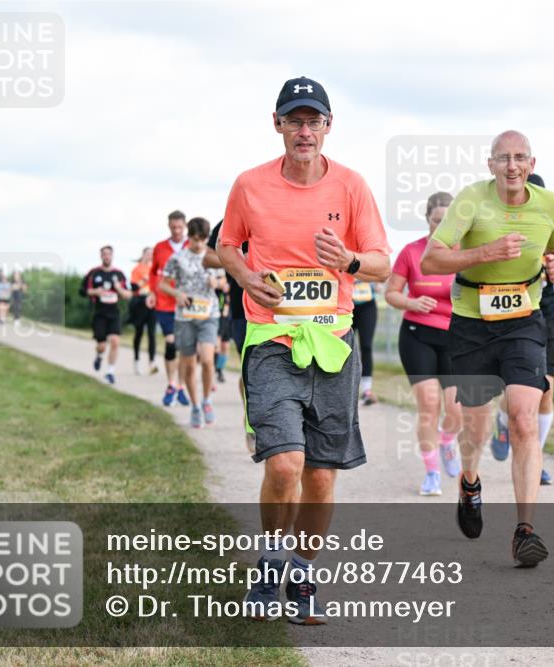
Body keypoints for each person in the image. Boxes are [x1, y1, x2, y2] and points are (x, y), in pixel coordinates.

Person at [219, 76, 390, 624]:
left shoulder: (351, 187)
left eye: (314, 120)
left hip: (334, 344)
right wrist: (247, 277)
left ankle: (303, 572)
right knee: (286, 462)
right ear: (277, 125)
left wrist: (349, 262)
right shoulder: (249, 185)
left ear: (328, 127)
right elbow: (226, 244)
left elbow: (382, 263)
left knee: (320, 475)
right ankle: (270, 563)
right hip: (272, 339)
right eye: (294, 120)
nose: (304, 130)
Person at [420, 130, 554, 568]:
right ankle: (469, 482)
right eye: (503, 158)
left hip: (524, 319)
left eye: (520, 157)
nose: (512, 165)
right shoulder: (470, 201)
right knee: (475, 425)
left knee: (524, 417)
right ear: (490, 164)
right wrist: (486, 251)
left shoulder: (552, 205)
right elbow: (432, 260)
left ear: (532, 163)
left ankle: (525, 531)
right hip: (471, 322)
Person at [490, 174, 554, 486]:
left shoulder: (553, 222)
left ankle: (535, 458)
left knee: (546, 388)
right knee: (517, 389)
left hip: (544, 310)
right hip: (508, 309)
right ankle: (504, 422)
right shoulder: (495, 222)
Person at [385, 192, 463, 496]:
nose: (440, 227)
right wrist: (413, 302)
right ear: (427, 219)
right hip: (418, 334)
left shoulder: (466, 253)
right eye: (435, 221)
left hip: (456, 338)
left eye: (447, 222)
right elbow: (391, 293)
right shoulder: (411, 252)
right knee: (429, 405)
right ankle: (431, 473)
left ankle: (447, 442)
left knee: (456, 411)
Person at [160, 217, 220, 428]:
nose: (199, 244)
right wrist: (176, 293)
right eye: (195, 239)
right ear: (189, 237)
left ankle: (206, 400)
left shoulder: (214, 257)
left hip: (209, 315)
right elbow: (162, 284)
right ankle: (195, 406)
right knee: (188, 364)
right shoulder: (178, 258)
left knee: (206, 359)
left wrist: (218, 282)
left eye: (203, 239)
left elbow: (225, 283)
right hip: (184, 317)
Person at [206, 219, 252, 449]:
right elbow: (208, 257)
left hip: (282, 309)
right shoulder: (230, 221)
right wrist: (239, 263)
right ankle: (251, 421)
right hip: (242, 310)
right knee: (250, 371)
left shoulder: (286, 209)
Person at [149, 210, 190, 406]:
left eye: (180, 227)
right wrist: (151, 292)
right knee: (171, 343)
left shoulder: (192, 246)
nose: (176, 231)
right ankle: (171, 383)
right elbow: (153, 273)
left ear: (185, 225)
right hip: (165, 303)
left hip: (187, 305)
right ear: (168, 226)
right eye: (173, 227)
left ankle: (181, 385)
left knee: (185, 347)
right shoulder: (160, 248)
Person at [79, 246, 132, 384]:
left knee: (115, 341)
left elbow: (128, 295)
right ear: (101, 256)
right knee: (101, 345)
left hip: (114, 312)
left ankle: (110, 372)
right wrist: (95, 292)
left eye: (109, 254)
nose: (106, 257)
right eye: (104, 254)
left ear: (112, 256)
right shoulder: (94, 273)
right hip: (99, 313)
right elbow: (82, 291)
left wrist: (119, 289)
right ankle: (99, 355)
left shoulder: (119, 274)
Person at [129, 247, 158, 375]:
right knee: (139, 332)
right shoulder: (137, 269)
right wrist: (145, 280)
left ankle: (152, 363)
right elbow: (133, 287)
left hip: (152, 303)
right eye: (148, 254)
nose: (150, 256)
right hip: (140, 303)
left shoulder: (155, 269)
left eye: (152, 254)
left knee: (152, 333)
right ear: (143, 255)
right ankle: (136, 361)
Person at [351, 280, 379, 405]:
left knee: (366, 346)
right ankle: (343, 387)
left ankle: (367, 390)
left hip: (367, 305)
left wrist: (377, 283)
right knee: (345, 346)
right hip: (347, 304)